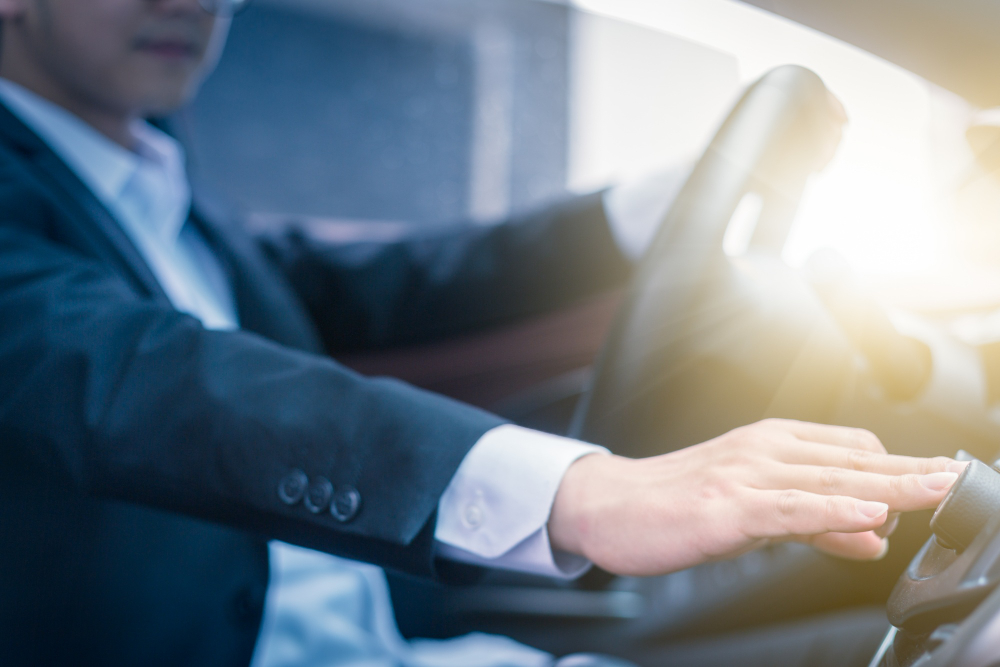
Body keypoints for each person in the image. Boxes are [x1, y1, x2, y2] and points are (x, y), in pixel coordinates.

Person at [0, 0, 966, 665]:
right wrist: (582, 488)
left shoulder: (160, 188)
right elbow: (140, 376)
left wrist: (643, 211)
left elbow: (382, 288)